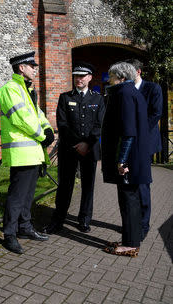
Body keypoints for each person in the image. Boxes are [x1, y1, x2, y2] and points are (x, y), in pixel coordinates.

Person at [0, 51, 54, 254]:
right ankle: (9, 234)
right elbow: (21, 118)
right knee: (16, 196)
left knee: (27, 195)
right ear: (21, 67)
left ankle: (25, 227)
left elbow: (38, 114)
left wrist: (47, 128)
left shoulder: (27, 90)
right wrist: (42, 135)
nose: (35, 69)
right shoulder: (9, 89)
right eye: (32, 66)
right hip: (22, 152)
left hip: (32, 152)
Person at [43, 62, 105, 234]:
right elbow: (62, 124)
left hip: (90, 149)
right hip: (69, 149)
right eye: (76, 76)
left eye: (82, 76)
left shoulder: (98, 99)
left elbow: (99, 124)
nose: (79, 79)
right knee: (65, 185)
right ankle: (58, 220)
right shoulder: (65, 97)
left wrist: (88, 143)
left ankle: (84, 220)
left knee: (88, 185)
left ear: (90, 78)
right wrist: (78, 143)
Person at [101, 62, 151, 257]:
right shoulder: (129, 92)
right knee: (131, 199)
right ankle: (132, 238)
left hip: (129, 160)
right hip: (134, 157)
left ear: (121, 77)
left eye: (111, 76)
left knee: (128, 200)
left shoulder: (124, 94)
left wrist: (122, 161)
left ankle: (130, 244)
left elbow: (128, 132)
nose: (109, 79)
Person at [125, 58, 163, 240]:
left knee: (142, 184)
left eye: (129, 71)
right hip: (128, 144)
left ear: (138, 71)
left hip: (145, 142)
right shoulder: (126, 89)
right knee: (129, 184)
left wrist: (138, 133)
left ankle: (143, 225)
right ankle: (132, 222)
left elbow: (156, 113)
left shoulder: (152, 89)